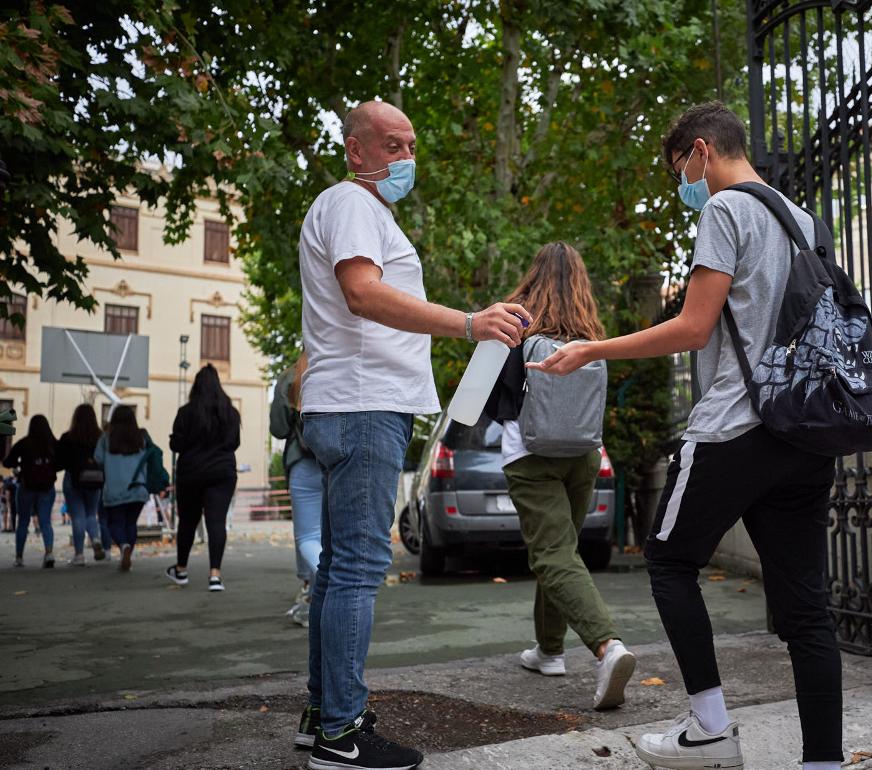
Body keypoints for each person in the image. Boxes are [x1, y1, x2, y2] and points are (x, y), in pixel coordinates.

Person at [531, 102, 843, 770]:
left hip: (736, 425)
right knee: (809, 609)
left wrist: (594, 351)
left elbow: (695, 327)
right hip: (806, 430)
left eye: (682, 170)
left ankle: (710, 730)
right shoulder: (807, 221)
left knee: (670, 561)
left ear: (701, 151)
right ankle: (823, 760)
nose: (685, 186)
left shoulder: (726, 210)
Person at [293, 99, 531, 770]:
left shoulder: (361, 210)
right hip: (364, 407)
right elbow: (363, 294)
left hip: (354, 405)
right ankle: (340, 734)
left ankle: (322, 718)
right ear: (356, 151)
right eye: (390, 146)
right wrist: (468, 322)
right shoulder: (350, 204)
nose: (405, 158)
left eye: (410, 146)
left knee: (341, 571)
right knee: (360, 571)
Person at [483, 241, 636, 710]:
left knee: (552, 553)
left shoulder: (513, 323)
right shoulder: (590, 332)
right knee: (562, 552)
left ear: (533, 277)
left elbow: (486, 397)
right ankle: (549, 651)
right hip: (585, 454)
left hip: (530, 456)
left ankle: (607, 647)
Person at [167, 364, 240, 592]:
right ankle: (215, 576)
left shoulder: (185, 412)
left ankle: (181, 570)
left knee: (188, 521)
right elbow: (234, 443)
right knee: (216, 522)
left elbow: (176, 444)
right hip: (222, 473)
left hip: (191, 474)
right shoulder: (230, 412)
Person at [270, 352, 320, 626]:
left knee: (309, 538)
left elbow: (278, 429)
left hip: (302, 463)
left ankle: (325, 581)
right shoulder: (340, 369)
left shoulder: (288, 379)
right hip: (337, 463)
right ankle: (317, 599)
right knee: (332, 535)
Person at [95, 406, 157, 571]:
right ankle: (127, 552)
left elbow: (98, 459)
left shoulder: (105, 439)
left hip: (115, 489)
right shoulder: (141, 438)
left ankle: (123, 547)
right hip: (138, 488)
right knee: (131, 523)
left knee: (114, 523)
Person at [3, 414, 59, 568]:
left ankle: (19, 557)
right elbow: (61, 462)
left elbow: (8, 462)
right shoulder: (53, 444)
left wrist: (20, 463)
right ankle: (48, 553)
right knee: (46, 522)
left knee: (23, 522)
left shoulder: (24, 443)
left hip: (26, 487)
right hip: (47, 488)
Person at [55, 404, 107, 565]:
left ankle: (79, 555)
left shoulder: (67, 437)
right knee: (91, 513)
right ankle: (96, 539)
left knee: (77, 516)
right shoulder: (101, 437)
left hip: (73, 480)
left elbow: (59, 462)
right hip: (96, 479)